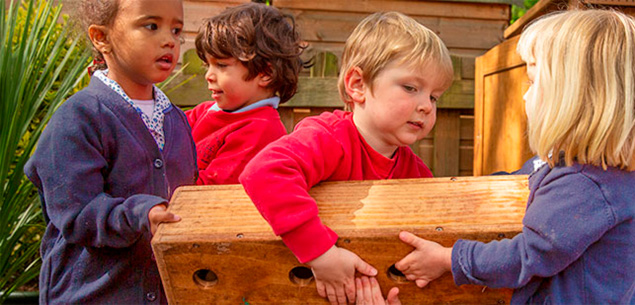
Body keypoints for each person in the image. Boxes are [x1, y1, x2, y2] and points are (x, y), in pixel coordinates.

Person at [394, 9, 635, 304]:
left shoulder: (586, 185)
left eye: (533, 82)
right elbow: (523, 180)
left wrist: (449, 258)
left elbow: (526, 256)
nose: (524, 95)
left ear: (573, 97)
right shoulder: (575, 165)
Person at [239, 11, 454, 304]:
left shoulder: (416, 173)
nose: (426, 106)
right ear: (358, 85)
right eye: (410, 88)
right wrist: (321, 253)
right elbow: (265, 172)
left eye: (433, 97)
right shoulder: (328, 138)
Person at [23, 0, 197, 303]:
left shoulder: (176, 119)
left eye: (176, 29)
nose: (169, 39)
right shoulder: (78, 118)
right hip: (92, 295)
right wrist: (142, 214)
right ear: (101, 37)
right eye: (151, 26)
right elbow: (77, 214)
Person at [186, 3, 305, 185]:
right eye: (207, 65)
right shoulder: (205, 111)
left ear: (265, 74)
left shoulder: (261, 131)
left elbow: (208, 191)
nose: (208, 75)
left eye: (221, 65)